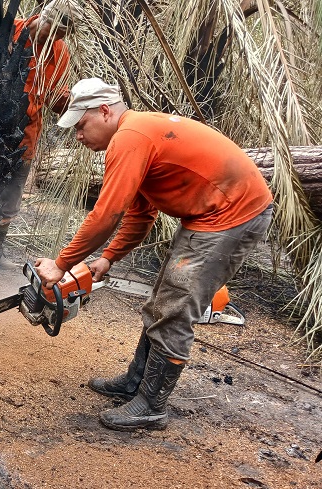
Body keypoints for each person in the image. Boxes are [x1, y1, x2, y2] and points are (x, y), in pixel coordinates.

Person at [34, 78, 273, 431]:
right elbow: (139, 213)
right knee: (164, 298)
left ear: (104, 111)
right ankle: (136, 382)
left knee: (175, 308)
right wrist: (109, 256)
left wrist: (61, 264)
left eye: (81, 126)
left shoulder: (130, 138)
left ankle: (151, 405)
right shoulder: (138, 136)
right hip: (210, 215)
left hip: (231, 216)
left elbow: (105, 215)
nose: (78, 137)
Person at [0, 2, 73, 232]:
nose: (52, 41)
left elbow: (55, 98)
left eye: (59, 37)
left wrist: (72, 101)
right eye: (50, 33)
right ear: (41, 17)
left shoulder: (60, 52)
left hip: (25, 137)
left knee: (10, 198)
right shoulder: (5, 32)